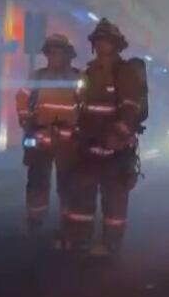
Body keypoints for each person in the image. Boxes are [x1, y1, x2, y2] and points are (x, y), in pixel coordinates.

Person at [65, 19, 145, 255]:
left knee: (114, 199)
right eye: (98, 41)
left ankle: (111, 243)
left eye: (106, 41)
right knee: (82, 196)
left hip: (115, 149)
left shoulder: (125, 72)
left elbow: (130, 108)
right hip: (89, 145)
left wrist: (119, 136)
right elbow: (79, 106)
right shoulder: (88, 73)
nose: (101, 45)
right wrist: (74, 134)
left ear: (116, 45)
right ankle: (80, 239)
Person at [16, 34, 81, 237]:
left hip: (69, 139)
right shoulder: (37, 77)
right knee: (37, 179)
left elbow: (87, 103)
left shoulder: (79, 78)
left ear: (67, 56)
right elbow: (22, 98)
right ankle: (35, 217)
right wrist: (26, 119)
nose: (54, 57)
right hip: (40, 135)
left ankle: (68, 219)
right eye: (51, 53)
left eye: (58, 53)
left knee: (68, 181)